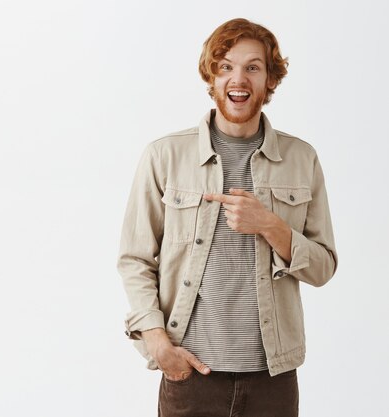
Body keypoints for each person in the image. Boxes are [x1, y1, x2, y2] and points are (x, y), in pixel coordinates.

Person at [116, 18, 337, 417]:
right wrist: (157, 343)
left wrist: (270, 225)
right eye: (226, 66)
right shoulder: (165, 156)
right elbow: (134, 258)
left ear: (271, 79)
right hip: (190, 374)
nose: (239, 78)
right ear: (211, 77)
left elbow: (323, 267)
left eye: (253, 67)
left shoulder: (302, 159)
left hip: (273, 378)